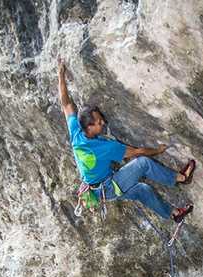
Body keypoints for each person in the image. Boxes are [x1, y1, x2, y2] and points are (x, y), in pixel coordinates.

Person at [57, 58, 195, 223]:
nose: (102, 122)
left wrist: (61, 74)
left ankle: (174, 214)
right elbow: (137, 153)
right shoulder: (105, 147)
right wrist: (158, 150)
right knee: (143, 163)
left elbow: (66, 104)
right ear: (89, 128)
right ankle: (180, 178)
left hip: (97, 192)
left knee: (142, 190)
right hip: (107, 188)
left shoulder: (75, 133)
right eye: (99, 122)